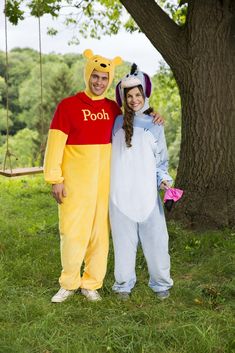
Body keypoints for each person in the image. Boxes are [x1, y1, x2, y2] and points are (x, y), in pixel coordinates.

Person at [44, 50, 163, 303]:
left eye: (104, 78)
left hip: (105, 186)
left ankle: (91, 283)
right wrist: (55, 178)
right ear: (88, 75)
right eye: (95, 76)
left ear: (110, 81)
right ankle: (69, 282)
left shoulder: (112, 109)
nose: (99, 82)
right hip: (75, 185)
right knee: (73, 232)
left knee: (100, 236)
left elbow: (136, 116)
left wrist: (154, 114)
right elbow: (54, 144)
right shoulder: (68, 106)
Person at [109, 63, 173, 301]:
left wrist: (165, 181)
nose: (134, 99)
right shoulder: (114, 123)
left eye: (138, 95)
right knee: (123, 244)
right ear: (123, 98)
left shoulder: (155, 125)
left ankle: (161, 282)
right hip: (119, 195)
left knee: (157, 241)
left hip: (147, 196)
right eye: (129, 96)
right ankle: (123, 284)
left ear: (144, 95)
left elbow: (161, 163)